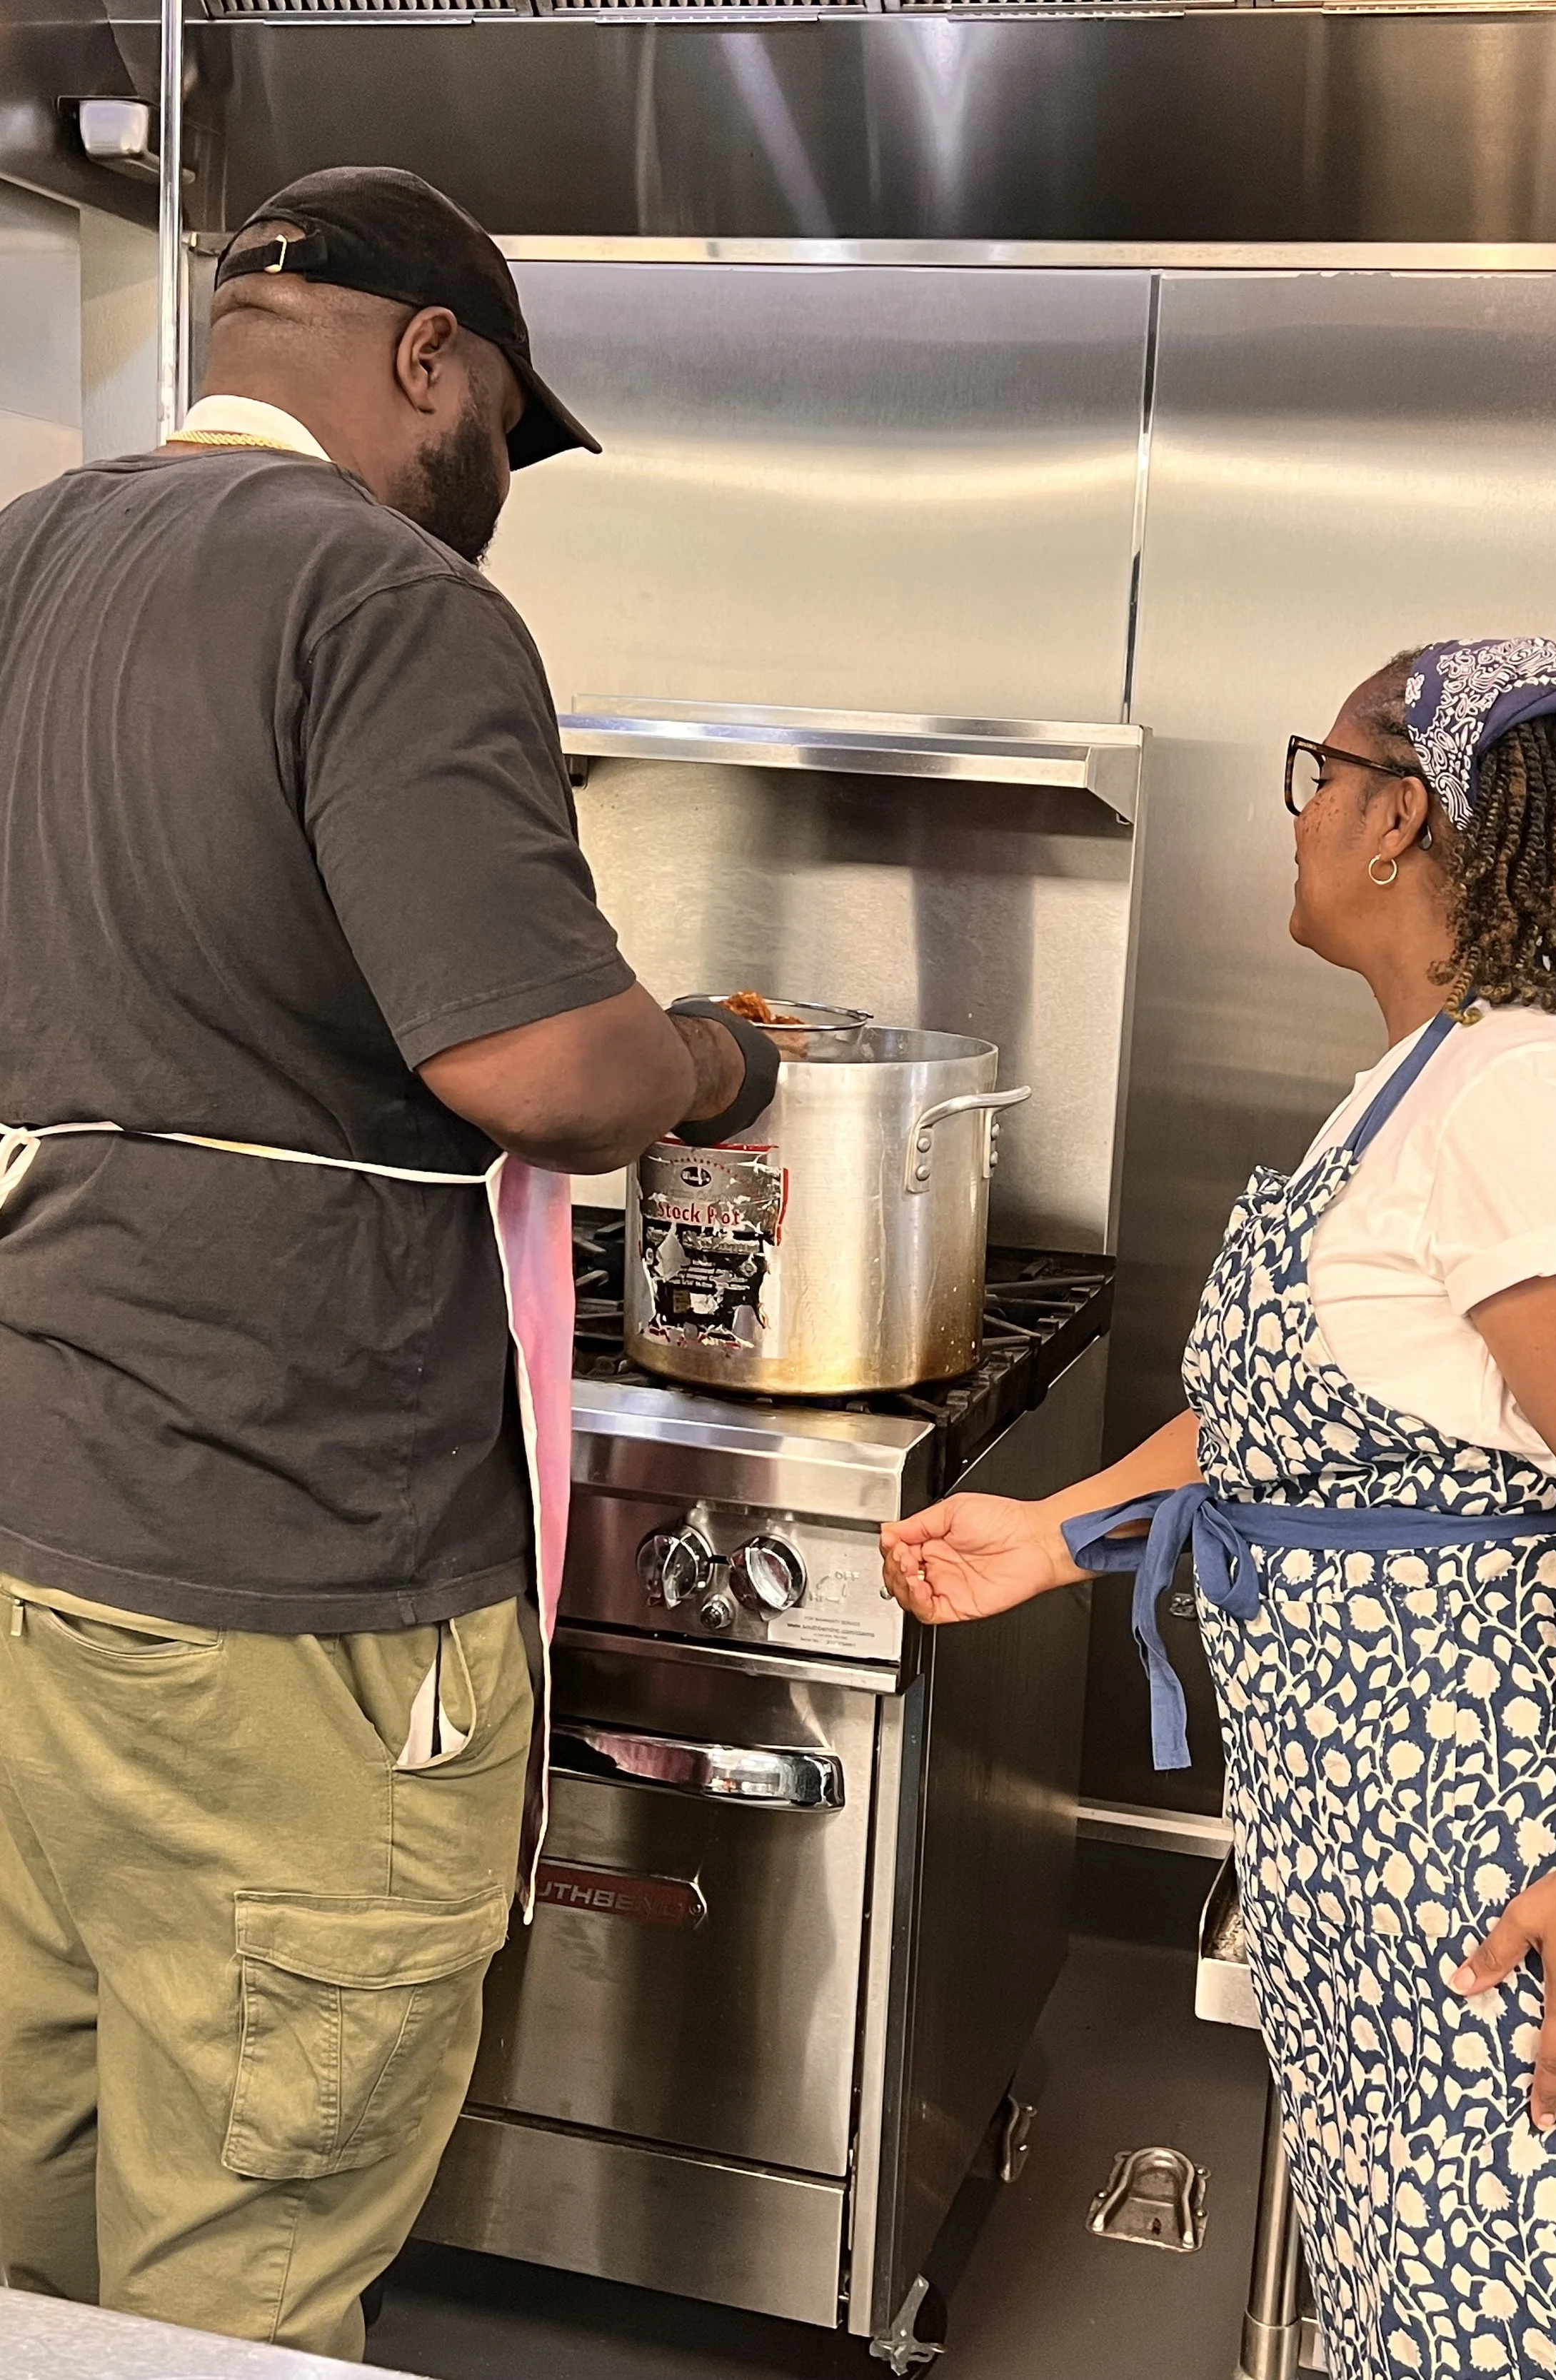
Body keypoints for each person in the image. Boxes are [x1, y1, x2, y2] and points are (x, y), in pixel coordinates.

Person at [0, 168, 778, 2358]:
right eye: (501, 436)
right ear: (425, 353)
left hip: (33, 1534)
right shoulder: (384, 599)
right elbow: (539, 1065)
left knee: (41, 2242)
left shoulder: (24, 558)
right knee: (248, 2261)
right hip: (291, 1566)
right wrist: (718, 1061)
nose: (491, 498)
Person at [881, 638, 1556, 2380]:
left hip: (1514, 1856)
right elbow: (1302, 1423)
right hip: (1387, 1848)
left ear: (1399, 816)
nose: (1296, 814)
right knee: (1404, 2317)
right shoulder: (1420, 1083)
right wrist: (1059, 1530)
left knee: (1507, 2339)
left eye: (1322, 767)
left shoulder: (1524, 1095)